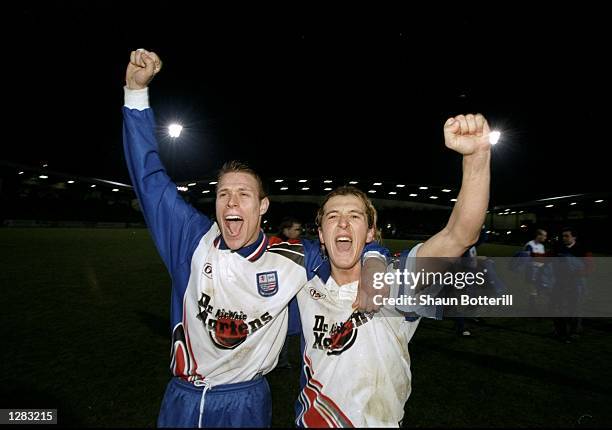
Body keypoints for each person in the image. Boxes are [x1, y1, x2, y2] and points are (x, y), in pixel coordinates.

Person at [122, 49, 389, 428]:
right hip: (182, 398)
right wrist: (135, 92)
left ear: (262, 206)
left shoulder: (295, 257)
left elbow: (345, 240)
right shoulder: (190, 239)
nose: (232, 201)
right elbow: (149, 179)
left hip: (244, 403)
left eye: (243, 194)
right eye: (223, 194)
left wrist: (376, 254)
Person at [295, 111, 492, 427]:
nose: (343, 222)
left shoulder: (396, 279)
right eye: (332, 217)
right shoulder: (304, 283)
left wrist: (477, 156)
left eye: (355, 216)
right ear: (320, 233)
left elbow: (459, 235)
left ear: (371, 233)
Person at [269, 217, 303, 369]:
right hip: (276, 293)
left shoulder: (298, 245)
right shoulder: (274, 244)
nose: (299, 232)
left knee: (287, 328)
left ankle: (282, 360)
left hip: (291, 292)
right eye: (296, 229)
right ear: (286, 230)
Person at [551, 227, 592, 342]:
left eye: (566, 236)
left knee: (575, 307)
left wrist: (576, 274)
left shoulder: (583, 250)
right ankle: (559, 330)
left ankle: (575, 331)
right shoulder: (558, 248)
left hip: (576, 283)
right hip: (560, 282)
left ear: (574, 237)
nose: (564, 238)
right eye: (563, 236)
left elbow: (589, 268)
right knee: (557, 306)